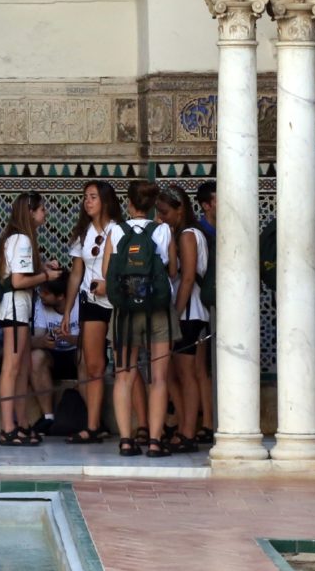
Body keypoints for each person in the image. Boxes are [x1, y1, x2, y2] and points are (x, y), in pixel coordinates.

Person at [109, 179, 173, 457]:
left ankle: (126, 440)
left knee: (125, 376)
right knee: (158, 378)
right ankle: (156, 442)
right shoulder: (163, 230)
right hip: (157, 310)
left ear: (129, 202)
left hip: (124, 311)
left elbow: (106, 271)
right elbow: (171, 270)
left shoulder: (115, 230)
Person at [0, 191, 59, 447]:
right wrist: (47, 278)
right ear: (31, 212)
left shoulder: (18, 238)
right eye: (42, 209)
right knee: (11, 367)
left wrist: (42, 269)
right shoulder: (21, 239)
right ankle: (7, 427)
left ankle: (20, 423)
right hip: (13, 308)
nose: (45, 213)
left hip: (19, 308)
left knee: (21, 367)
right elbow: (18, 281)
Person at [64, 180, 122, 445]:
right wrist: (67, 311)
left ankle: (140, 427)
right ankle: (93, 425)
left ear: (106, 200)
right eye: (85, 197)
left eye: (93, 197)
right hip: (91, 303)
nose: (87, 201)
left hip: (118, 302)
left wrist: (110, 285)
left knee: (125, 365)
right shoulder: (83, 233)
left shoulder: (118, 230)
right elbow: (77, 273)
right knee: (93, 365)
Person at [158, 186, 207, 454]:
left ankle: (188, 432)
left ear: (180, 209)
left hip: (189, 312)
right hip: (185, 312)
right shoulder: (181, 234)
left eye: (165, 212)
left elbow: (187, 278)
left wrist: (175, 314)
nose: (162, 217)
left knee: (186, 374)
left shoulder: (188, 235)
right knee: (176, 372)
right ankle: (183, 427)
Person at [28, 275, 79, 435]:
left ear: (61, 296)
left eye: (45, 292)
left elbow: (94, 342)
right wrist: (43, 341)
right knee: (35, 357)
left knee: (86, 355)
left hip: (76, 354)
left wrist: (70, 338)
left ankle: (92, 418)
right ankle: (48, 417)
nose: (41, 295)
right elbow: (33, 340)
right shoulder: (41, 305)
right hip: (53, 356)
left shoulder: (79, 304)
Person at [190, 180, 217, 445]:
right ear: (206, 205)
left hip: (224, 305)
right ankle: (207, 422)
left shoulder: (229, 229)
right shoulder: (199, 233)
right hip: (201, 306)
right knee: (200, 367)